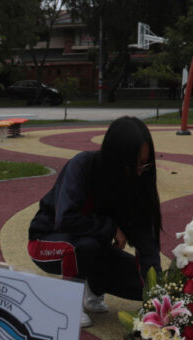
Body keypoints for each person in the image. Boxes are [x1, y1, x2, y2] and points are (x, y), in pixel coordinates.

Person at [26, 116, 162, 327]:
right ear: (114, 158)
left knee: (143, 284)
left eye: (144, 164)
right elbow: (66, 219)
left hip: (95, 245)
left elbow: (147, 241)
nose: (138, 172)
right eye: (132, 165)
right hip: (46, 241)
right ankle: (69, 301)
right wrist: (111, 227)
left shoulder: (137, 182)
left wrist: (158, 300)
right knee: (86, 245)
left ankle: (93, 289)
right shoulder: (82, 166)